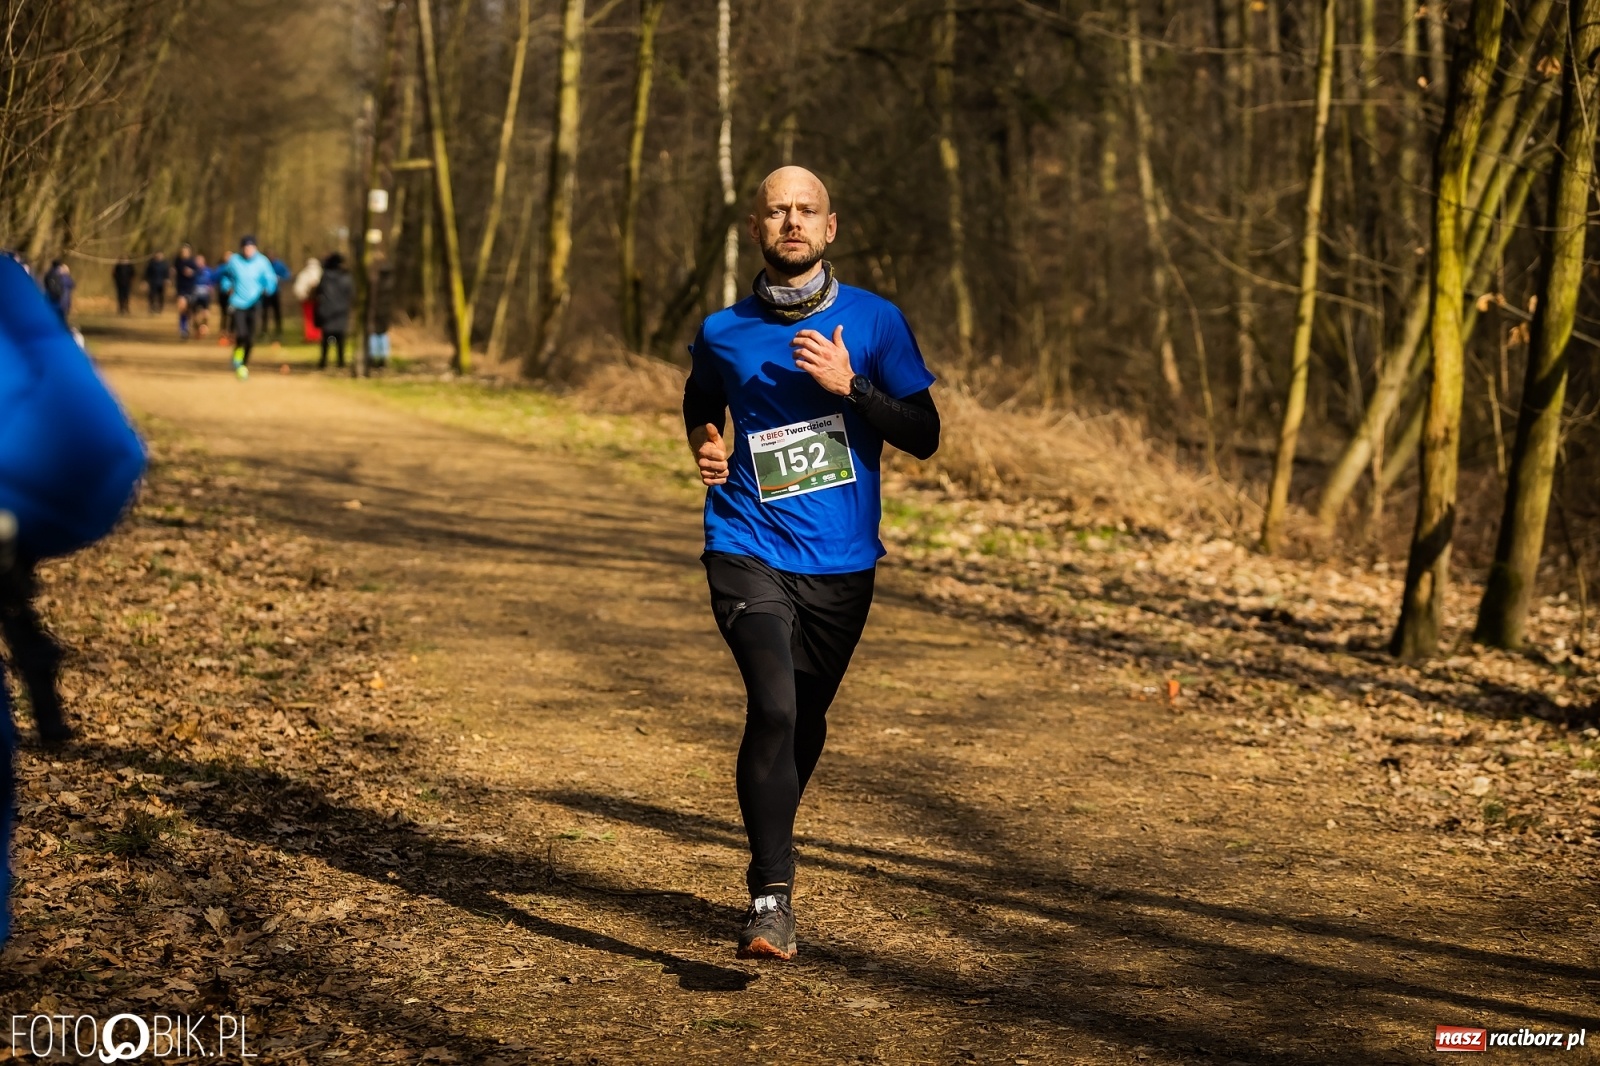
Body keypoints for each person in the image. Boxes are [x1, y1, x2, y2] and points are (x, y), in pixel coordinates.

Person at [683, 166, 940, 960]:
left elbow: (925, 434)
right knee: (774, 708)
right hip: (745, 543)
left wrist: (849, 385)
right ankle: (771, 896)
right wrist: (705, 441)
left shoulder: (876, 320)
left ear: (831, 228)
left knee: (804, 717)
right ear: (756, 228)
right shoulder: (723, 329)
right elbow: (701, 397)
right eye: (777, 211)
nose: (791, 221)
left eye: (806, 210)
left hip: (841, 560)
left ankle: (773, 837)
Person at [218, 235, 278, 380]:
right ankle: (237, 357)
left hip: (255, 303)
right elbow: (225, 277)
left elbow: (271, 279)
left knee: (250, 338)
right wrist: (227, 287)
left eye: (250, 247)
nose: (248, 250)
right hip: (238, 302)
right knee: (241, 334)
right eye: (245, 247)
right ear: (241, 248)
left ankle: (243, 363)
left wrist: (268, 289)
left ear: (255, 248)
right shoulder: (234, 261)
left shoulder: (263, 262)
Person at [313, 252, 353, 369]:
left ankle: (323, 361)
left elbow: (319, 292)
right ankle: (341, 361)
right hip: (341, 312)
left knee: (326, 338)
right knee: (341, 338)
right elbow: (352, 294)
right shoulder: (347, 277)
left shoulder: (326, 277)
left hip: (327, 311)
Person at [367, 259, 395, 367]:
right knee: (383, 335)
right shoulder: (392, 285)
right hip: (386, 313)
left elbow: (372, 300)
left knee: (374, 335)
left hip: (376, 312)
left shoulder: (375, 284)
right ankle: (383, 357)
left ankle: (373, 357)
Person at [260, 251, 291, 340]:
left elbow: (287, 275)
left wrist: (279, 278)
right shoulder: (263, 265)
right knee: (264, 313)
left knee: (277, 313)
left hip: (275, 292)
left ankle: (279, 331)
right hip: (265, 293)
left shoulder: (279, 265)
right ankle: (264, 331)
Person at [292, 255, 323, 344]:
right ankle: (314, 336)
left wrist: (302, 295)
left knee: (310, 319)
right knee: (315, 318)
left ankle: (311, 336)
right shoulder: (321, 273)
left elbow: (298, 288)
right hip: (314, 301)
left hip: (310, 301)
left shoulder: (304, 274)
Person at [173, 243, 198, 338]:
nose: (184, 253)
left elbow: (197, 273)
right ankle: (182, 329)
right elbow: (174, 271)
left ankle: (187, 326)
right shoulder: (178, 261)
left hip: (190, 288)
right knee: (182, 308)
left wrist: (192, 272)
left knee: (188, 310)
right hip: (181, 288)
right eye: (183, 251)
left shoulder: (192, 262)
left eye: (186, 251)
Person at [187, 253, 214, 339]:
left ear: (204, 261)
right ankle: (197, 330)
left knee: (205, 314)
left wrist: (211, 289)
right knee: (194, 315)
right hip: (195, 296)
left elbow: (211, 282)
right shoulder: (192, 271)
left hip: (205, 296)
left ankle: (204, 327)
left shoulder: (208, 271)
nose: (199, 262)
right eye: (197, 261)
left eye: (200, 260)